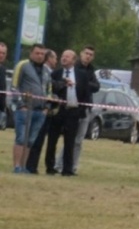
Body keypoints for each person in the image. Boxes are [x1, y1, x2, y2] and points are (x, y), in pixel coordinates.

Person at [37, 48, 76, 175]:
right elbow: (50, 87)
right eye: (62, 56)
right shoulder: (55, 73)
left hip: (72, 112)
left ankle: (67, 169)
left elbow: (84, 92)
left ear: (73, 60)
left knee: (70, 142)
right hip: (56, 112)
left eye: (67, 57)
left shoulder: (80, 75)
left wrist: (81, 110)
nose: (63, 58)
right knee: (52, 141)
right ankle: (50, 167)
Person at [12, 44, 49, 173]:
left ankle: (23, 166)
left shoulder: (46, 71)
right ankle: (16, 166)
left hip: (40, 111)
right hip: (25, 109)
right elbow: (14, 86)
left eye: (42, 54)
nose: (40, 56)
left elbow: (49, 90)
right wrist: (21, 104)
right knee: (21, 138)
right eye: (37, 53)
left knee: (30, 140)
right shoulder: (22, 65)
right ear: (31, 53)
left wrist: (46, 108)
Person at [64, 46, 99, 176]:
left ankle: (73, 166)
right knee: (69, 139)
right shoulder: (74, 67)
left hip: (86, 108)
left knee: (79, 141)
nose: (88, 56)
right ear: (81, 54)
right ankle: (60, 164)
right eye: (86, 53)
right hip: (73, 106)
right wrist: (85, 84)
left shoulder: (91, 70)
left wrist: (84, 83)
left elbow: (96, 87)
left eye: (91, 54)